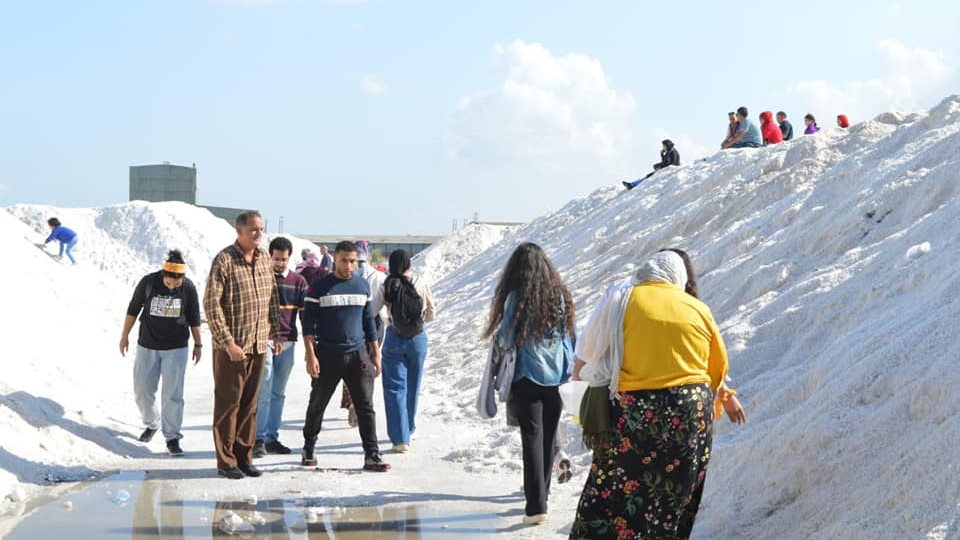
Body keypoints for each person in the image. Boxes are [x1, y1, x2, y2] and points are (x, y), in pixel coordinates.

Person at [570, 250, 734, 539]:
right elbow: (717, 368)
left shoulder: (621, 299)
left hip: (637, 413)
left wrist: (577, 395)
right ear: (678, 278)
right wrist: (726, 397)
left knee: (615, 491)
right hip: (691, 415)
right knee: (672, 496)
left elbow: (587, 351)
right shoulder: (696, 307)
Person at [484, 242, 574, 526]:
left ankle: (536, 506)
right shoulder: (560, 296)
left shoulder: (517, 297)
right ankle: (542, 497)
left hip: (527, 377)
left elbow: (507, 338)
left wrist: (497, 344)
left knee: (532, 440)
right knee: (548, 439)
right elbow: (569, 335)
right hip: (557, 378)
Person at [204, 210, 284, 480]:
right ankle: (225, 461)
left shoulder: (263, 259)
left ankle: (244, 457)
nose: (258, 234)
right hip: (233, 347)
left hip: (259, 344)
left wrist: (276, 332)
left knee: (251, 404)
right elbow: (211, 305)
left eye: (261, 229)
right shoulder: (225, 260)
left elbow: (272, 297)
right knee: (229, 404)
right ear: (239, 231)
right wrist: (227, 342)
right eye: (253, 230)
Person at [301, 241, 390, 472]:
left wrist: (376, 353)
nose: (349, 266)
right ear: (335, 259)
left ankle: (372, 455)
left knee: (365, 407)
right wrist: (310, 355)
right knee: (317, 404)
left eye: (353, 261)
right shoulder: (319, 287)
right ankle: (309, 447)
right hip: (327, 354)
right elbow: (308, 325)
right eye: (344, 261)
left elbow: (369, 322)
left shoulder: (362, 286)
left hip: (358, 355)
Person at [119, 250, 202, 457]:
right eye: (169, 283)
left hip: (176, 348)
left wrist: (198, 344)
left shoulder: (188, 287)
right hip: (147, 345)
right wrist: (124, 335)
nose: (172, 286)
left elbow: (194, 316)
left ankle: (172, 437)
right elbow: (133, 308)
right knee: (142, 390)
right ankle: (152, 422)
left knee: (173, 395)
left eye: (176, 284)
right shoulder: (148, 283)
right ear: (163, 274)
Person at [253, 237, 308, 458]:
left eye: (284, 259)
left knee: (278, 393)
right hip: (264, 340)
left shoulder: (299, 282)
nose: (280, 263)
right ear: (269, 256)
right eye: (276, 259)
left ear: (289, 258)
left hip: (288, 342)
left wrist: (310, 346)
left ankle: (271, 438)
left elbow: (305, 316)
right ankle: (257, 438)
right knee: (264, 390)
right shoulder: (261, 278)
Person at [380, 249, 436, 453]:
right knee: (413, 384)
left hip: (394, 336)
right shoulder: (420, 282)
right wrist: (417, 323)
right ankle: (409, 428)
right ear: (409, 264)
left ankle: (399, 438)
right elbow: (432, 312)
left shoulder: (387, 284)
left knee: (395, 388)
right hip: (418, 339)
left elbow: (374, 310)